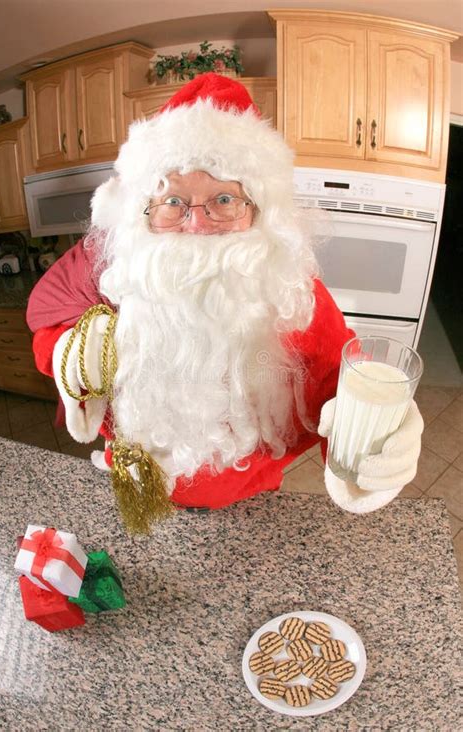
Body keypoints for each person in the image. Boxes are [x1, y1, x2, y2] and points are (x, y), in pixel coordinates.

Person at [27, 73, 423, 517]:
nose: (196, 224)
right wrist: (69, 350)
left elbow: (341, 383)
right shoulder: (113, 262)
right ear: (143, 210)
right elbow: (48, 314)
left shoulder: (290, 288)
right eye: (174, 201)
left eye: (223, 200)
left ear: (258, 210)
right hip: (135, 485)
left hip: (248, 499)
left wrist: (377, 436)